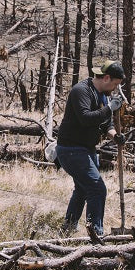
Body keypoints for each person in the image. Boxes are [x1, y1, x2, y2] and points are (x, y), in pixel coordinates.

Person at [55, 60, 125, 242]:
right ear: (106, 78)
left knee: (83, 189)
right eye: (115, 84)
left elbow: (105, 123)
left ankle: (68, 228)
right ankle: (96, 235)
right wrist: (110, 108)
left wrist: (115, 136)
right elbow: (86, 118)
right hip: (71, 149)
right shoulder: (81, 91)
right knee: (97, 189)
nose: (115, 88)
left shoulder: (103, 94)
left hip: (87, 149)